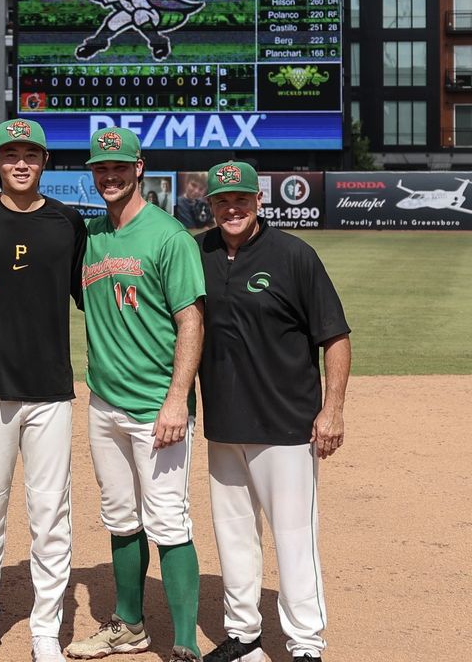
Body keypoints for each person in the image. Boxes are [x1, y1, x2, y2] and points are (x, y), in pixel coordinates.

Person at [196, 161, 350, 662]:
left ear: (258, 201)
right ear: (210, 204)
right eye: (222, 200)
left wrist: (332, 410)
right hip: (224, 425)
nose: (232, 208)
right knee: (234, 535)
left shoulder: (293, 255)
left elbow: (335, 336)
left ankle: (306, 644)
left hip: (286, 427)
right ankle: (244, 637)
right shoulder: (198, 252)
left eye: (241, 199)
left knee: (294, 538)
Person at [65, 127, 207, 662]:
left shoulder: (170, 237)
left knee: (168, 520)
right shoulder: (90, 237)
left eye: (119, 167)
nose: (109, 176)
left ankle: (186, 641)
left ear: (138, 168)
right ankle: (129, 625)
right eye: (101, 168)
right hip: (105, 403)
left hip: (157, 406)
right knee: (121, 517)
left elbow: (191, 320)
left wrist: (177, 398)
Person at [0, 119, 86, 662]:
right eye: (11, 154)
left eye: (31, 154)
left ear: (45, 161)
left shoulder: (68, 222)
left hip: (51, 390)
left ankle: (45, 629)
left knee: (50, 515)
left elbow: (89, 294)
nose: (21, 163)